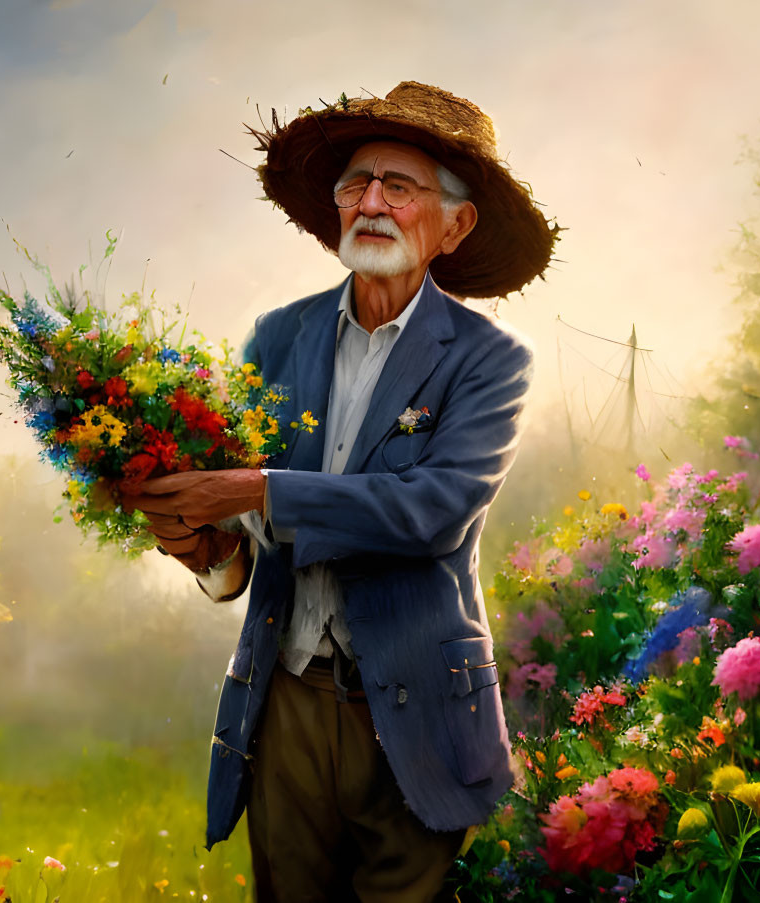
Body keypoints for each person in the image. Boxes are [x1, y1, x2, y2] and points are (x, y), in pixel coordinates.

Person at [121, 81, 558, 902]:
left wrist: (255, 488)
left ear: (455, 225)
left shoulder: (488, 359)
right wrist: (196, 540)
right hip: (283, 703)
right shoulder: (276, 337)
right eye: (356, 183)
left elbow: (431, 511)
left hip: (417, 707)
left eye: (401, 186)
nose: (372, 203)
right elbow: (244, 549)